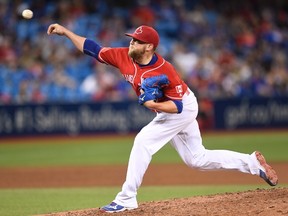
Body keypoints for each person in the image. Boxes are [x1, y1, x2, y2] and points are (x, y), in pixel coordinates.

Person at [47, 24, 278, 213]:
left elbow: (176, 107)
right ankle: (252, 163)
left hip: (182, 107)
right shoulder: (123, 56)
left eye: (137, 41)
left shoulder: (164, 70)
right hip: (169, 109)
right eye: (132, 39)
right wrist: (66, 33)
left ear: (149, 47)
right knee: (196, 159)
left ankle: (127, 198)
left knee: (143, 140)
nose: (131, 43)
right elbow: (92, 49)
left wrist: (151, 104)